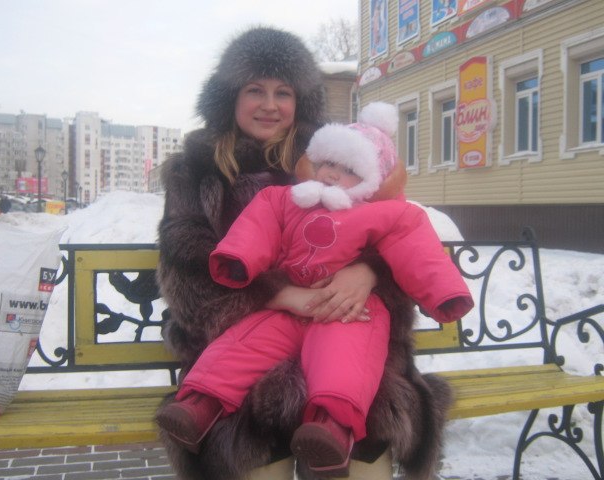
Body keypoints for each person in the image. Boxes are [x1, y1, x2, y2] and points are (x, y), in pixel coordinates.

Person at [156, 27, 451, 480]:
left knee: (359, 423)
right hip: (239, 342)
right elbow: (188, 270)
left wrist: (368, 272)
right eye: (255, 90)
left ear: (301, 100)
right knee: (243, 429)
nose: (270, 104)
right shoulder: (196, 170)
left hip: (344, 328)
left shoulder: (341, 156)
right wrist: (279, 295)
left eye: (283, 92)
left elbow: (396, 234)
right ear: (230, 96)